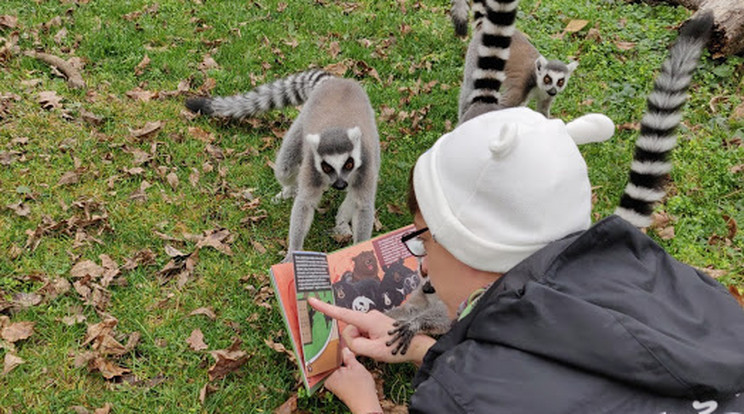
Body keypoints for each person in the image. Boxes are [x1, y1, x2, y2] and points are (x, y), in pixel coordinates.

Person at [308, 107, 744, 413]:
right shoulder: (690, 289)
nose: (422, 266)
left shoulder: (458, 398)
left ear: (472, 245)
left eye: (426, 240)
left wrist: (365, 402)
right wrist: (423, 349)